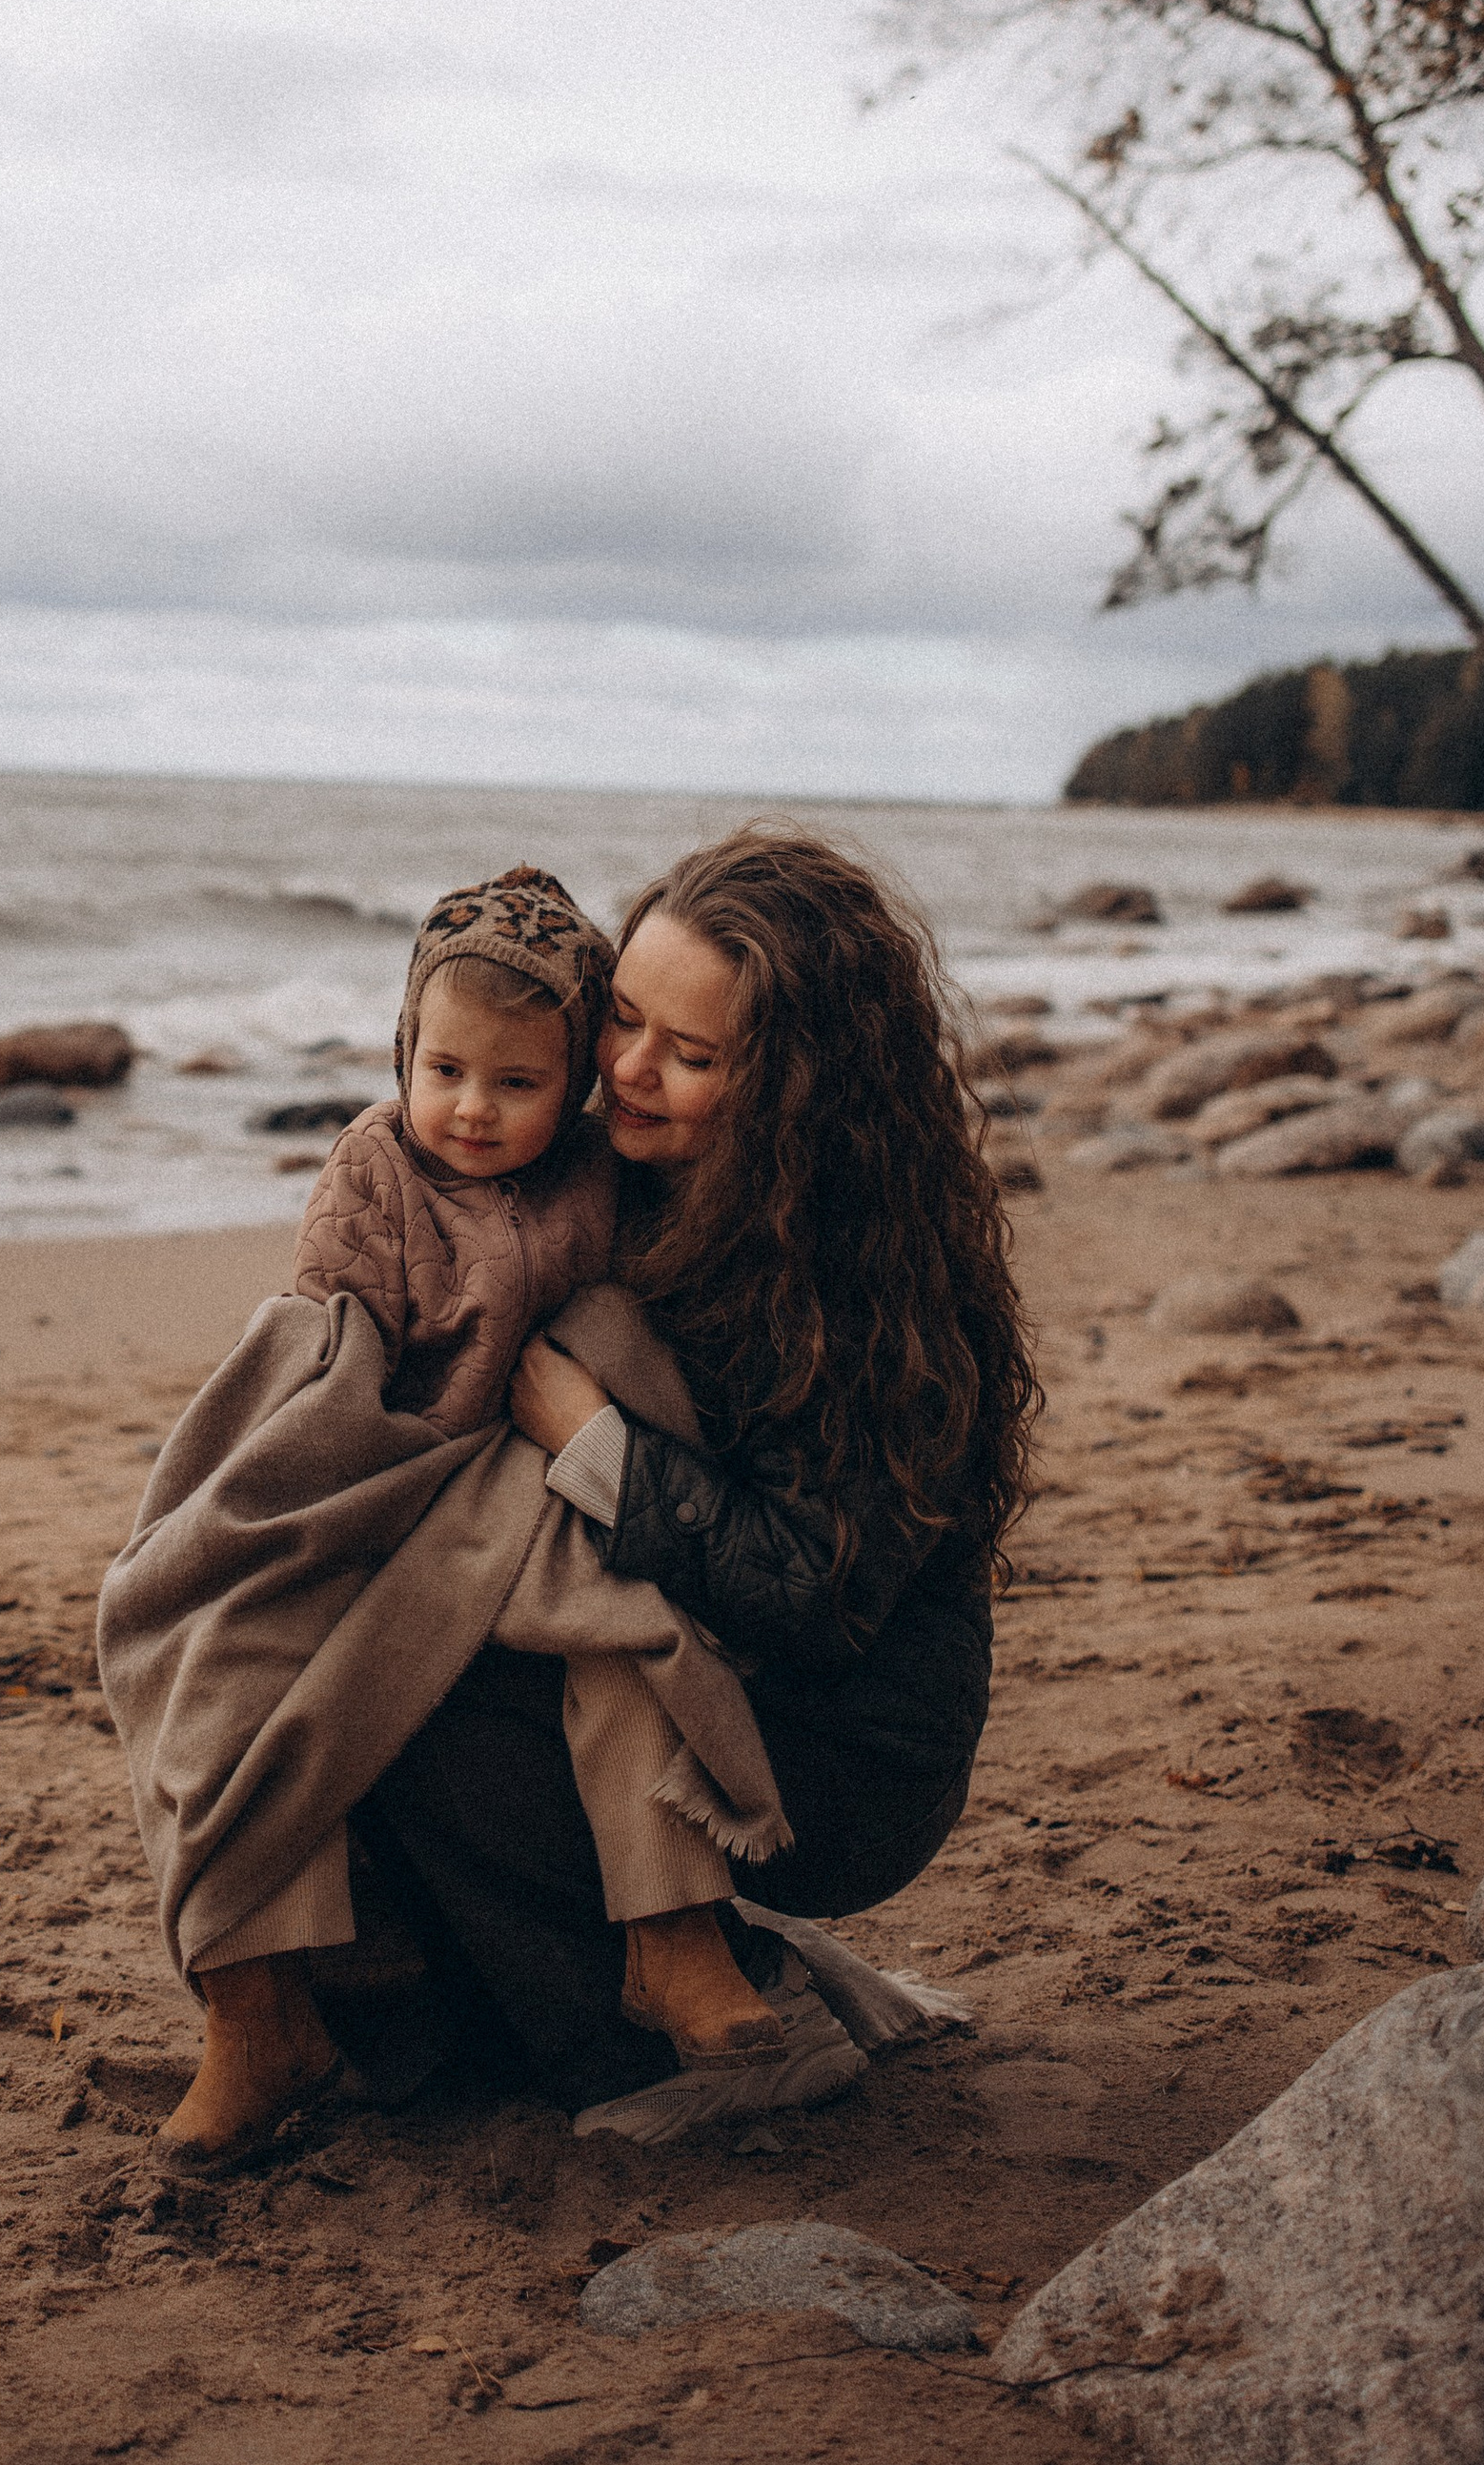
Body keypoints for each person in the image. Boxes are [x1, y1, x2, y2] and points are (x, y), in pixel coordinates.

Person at [348, 825, 1037, 2120]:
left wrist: (595, 1442)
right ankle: (676, 1974)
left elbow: (812, 1596)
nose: (626, 1071)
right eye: (621, 1021)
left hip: (844, 1752)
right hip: (700, 1663)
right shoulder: (630, 1186)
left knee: (433, 1725)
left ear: (793, 1085)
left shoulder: (873, 1276)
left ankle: (697, 2033)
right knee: (362, 1659)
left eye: (693, 1055)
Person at [283, 867, 787, 2063]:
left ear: (566, 1093)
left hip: (545, 1487)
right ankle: (259, 2000)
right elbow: (318, 1352)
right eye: (443, 1072)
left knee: (619, 1637)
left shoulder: (597, 1175)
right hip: (395, 1491)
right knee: (249, 1673)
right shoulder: (373, 1171)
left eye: (516, 1083)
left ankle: (675, 1939)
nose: (469, 1109)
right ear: (402, 1052)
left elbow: (632, 1323)